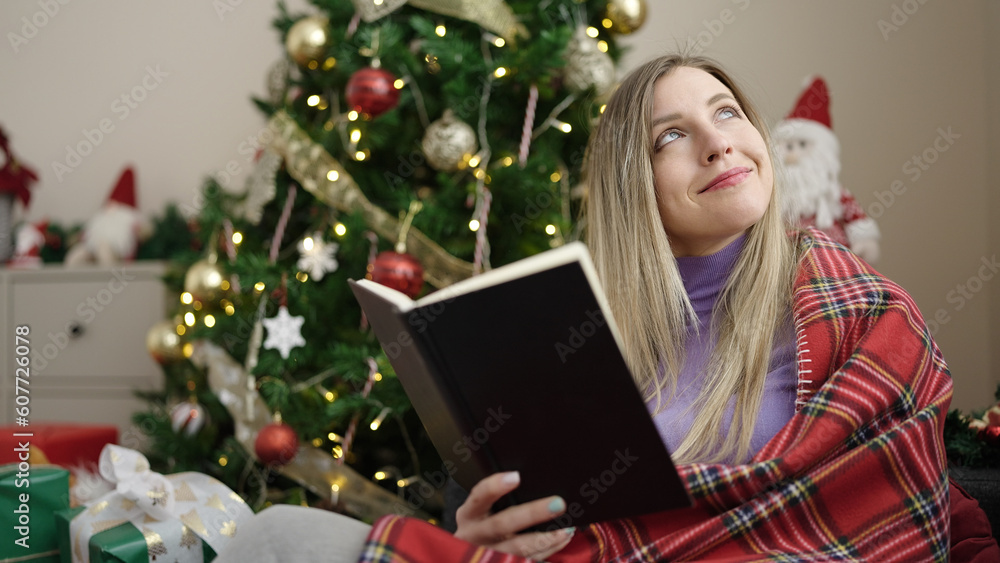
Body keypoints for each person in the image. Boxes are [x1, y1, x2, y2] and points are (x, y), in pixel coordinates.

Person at [216, 54, 998, 562]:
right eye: (672, 136)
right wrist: (486, 540)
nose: (720, 143)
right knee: (277, 535)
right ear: (635, 184)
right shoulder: (579, 341)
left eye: (728, 113)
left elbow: (902, 519)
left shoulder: (866, 312)